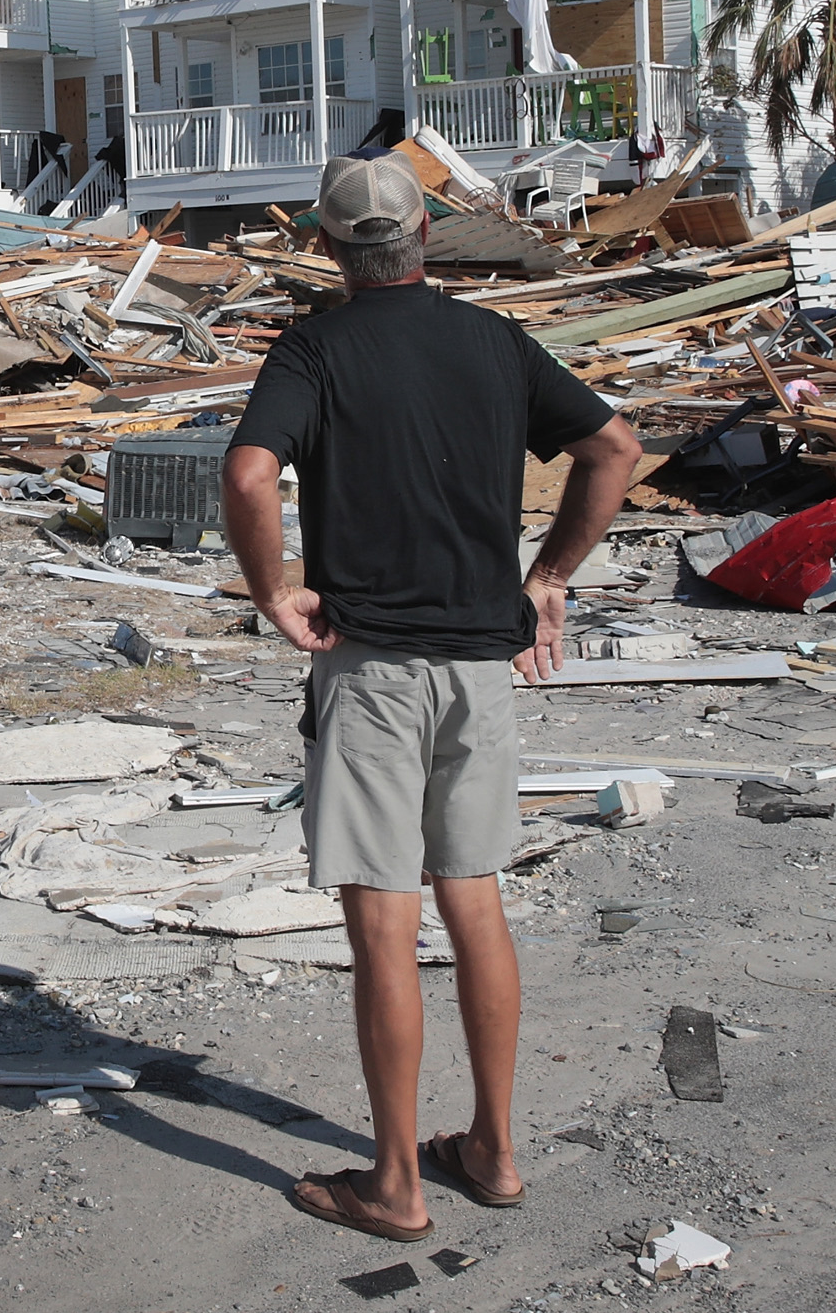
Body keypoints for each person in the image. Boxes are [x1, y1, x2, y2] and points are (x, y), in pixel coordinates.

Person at [223, 152, 642, 1242]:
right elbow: (615, 445)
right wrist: (546, 577)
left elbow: (248, 472)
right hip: (476, 667)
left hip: (369, 668)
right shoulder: (493, 341)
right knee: (475, 895)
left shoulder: (315, 345)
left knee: (382, 921)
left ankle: (398, 1179)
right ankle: (495, 1150)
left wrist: (273, 588)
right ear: (427, 236)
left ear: (327, 243)